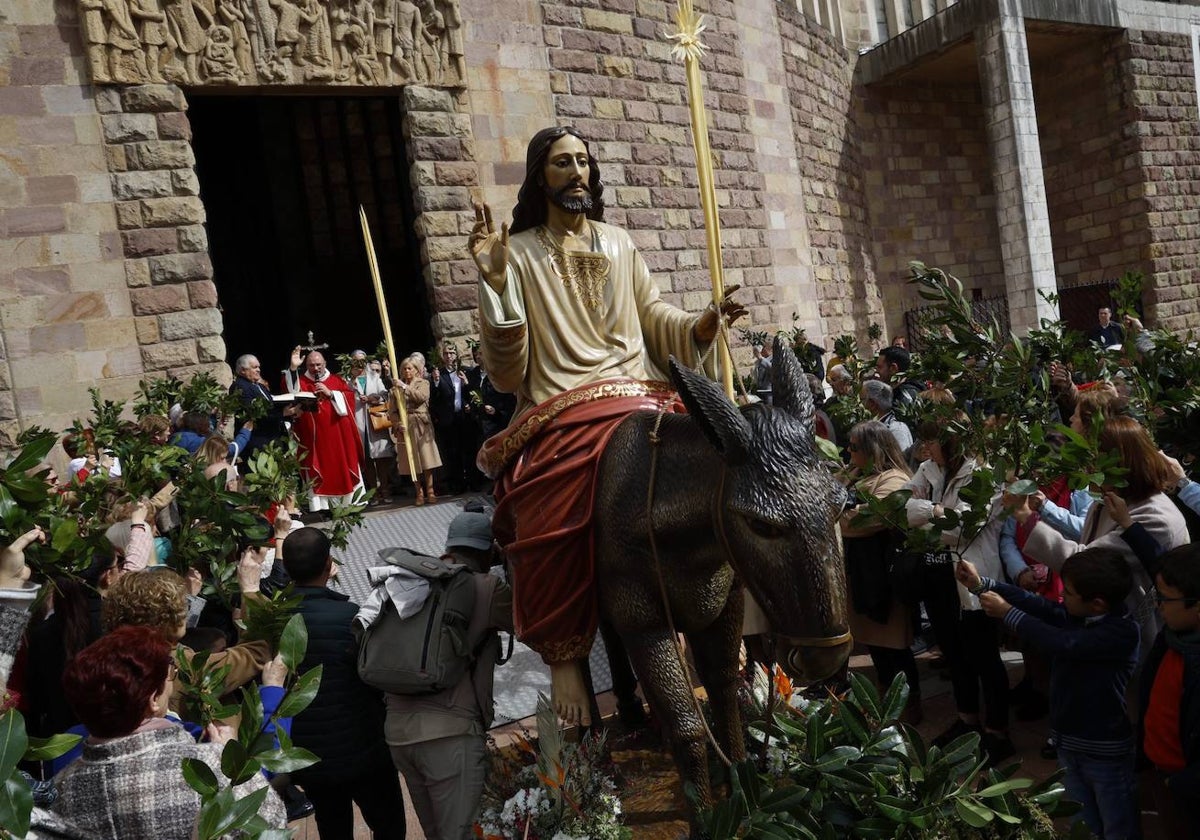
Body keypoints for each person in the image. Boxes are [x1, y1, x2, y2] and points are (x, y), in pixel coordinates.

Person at [470, 125, 744, 725]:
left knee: (719, 474)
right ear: (540, 174)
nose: (577, 172)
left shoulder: (620, 242)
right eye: (563, 162)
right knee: (545, 503)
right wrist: (495, 286)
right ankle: (565, 654)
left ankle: (730, 625)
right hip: (563, 403)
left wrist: (699, 326)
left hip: (639, 391)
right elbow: (509, 374)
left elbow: (652, 316)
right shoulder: (515, 253)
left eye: (584, 162)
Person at [957, 549, 1140, 840]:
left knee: (1118, 824)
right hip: (1069, 743)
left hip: (1104, 751)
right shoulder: (1081, 615)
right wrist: (984, 584)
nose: (1062, 598)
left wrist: (1008, 613)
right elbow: (1040, 606)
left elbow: (1062, 642)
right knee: (1082, 820)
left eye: (1068, 593)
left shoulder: (1121, 632)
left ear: (1097, 604)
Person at [52, 625, 285, 838]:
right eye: (170, 675)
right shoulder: (205, 766)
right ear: (153, 699)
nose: (172, 683)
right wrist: (231, 764)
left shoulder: (59, 791)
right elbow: (270, 824)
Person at [1011, 415, 1190, 660]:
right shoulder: (1110, 502)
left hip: (1137, 646)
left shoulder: (1155, 517)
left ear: (1119, 462)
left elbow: (1086, 565)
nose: (1086, 469)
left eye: (1093, 460)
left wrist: (1025, 517)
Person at [384, 512, 513, 840]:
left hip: (398, 733)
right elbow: (534, 621)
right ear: (488, 550)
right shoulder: (487, 587)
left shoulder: (410, 581)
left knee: (437, 834)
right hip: (450, 735)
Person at [280, 527, 404, 840]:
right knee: (388, 825)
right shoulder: (349, 616)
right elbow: (378, 679)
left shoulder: (273, 622)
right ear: (328, 565)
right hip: (366, 748)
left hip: (312, 756)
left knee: (333, 829)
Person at [905, 413, 1015, 762]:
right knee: (954, 654)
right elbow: (903, 509)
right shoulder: (928, 469)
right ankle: (968, 722)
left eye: (931, 440)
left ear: (950, 441)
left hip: (971, 576)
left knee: (984, 658)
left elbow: (964, 529)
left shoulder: (980, 475)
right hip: (938, 575)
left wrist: (928, 515)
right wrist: (936, 509)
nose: (924, 447)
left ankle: (998, 732)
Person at [838, 421, 919, 721]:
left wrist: (840, 510)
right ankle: (887, 703)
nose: (848, 451)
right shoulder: (856, 473)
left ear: (873, 450)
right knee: (876, 646)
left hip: (884, 577)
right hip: (861, 575)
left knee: (895, 646)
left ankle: (909, 706)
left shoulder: (895, 480)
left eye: (854, 447)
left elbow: (859, 522)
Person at [1139, 544, 1200, 839]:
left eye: (1164, 599)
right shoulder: (1176, 634)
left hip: (1184, 786)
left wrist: (1177, 784)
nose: (1158, 605)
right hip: (1162, 768)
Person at [284, 347, 365, 513]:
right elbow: (289, 390)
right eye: (311, 365)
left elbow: (349, 399)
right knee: (317, 470)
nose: (316, 368)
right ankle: (323, 508)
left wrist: (332, 394)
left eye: (318, 364)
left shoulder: (336, 380)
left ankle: (347, 504)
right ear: (306, 365)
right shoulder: (301, 381)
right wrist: (293, 368)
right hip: (313, 438)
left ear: (325, 363)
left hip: (337, 436)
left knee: (340, 467)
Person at [229, 353, 299, 466]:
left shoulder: (259, 386)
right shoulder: (239, 387)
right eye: (254, 367)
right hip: (259, 442)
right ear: (242, 370)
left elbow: (271, 405)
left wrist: (289, 410)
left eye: (259, 367)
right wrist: (283, 412)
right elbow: (254, 412)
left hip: (273, 439)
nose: (258, 370)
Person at [389, 357, 442, 505]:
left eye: (410, 368)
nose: (407, 371)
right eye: (404, 369)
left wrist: (405, 387)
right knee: (412, 460)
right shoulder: (394, 389)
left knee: (426, 457)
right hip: (406, 426)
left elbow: (421, 397)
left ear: (416, 370)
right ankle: (419, 491)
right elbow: (392, 411)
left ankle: (430, 490)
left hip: (421, 424)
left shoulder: (423, 383)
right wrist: (398, 423)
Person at [429, 343, 479, 494]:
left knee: (469, 450)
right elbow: (435, 399)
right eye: (446, 353)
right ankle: (458, 484)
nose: (449, 356)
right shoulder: (439, 374)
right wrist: (436, 382)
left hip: (465, 417)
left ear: (456, 355)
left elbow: (473, 393)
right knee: (453, 453)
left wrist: (467, 387)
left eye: (451, 353)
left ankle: (473, 481)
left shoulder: (466, 371)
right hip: (449, 419)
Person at [348, 350, 396, 505]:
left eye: (362, 360)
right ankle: (373, 492)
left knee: (381, 457)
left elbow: (384, 394)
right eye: (356, 361)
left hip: (375, 421)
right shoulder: (347, 379)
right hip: (358, 422)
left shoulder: (374, 377)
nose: (359, 364)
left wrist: (371, 399)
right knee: (367, 459)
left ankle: (385, 489)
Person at [860, 379, 912, 454]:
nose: (860, 405)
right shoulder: (875, 426)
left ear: (872, 403)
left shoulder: (897, 429)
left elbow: (901, 460)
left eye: (862, 400)